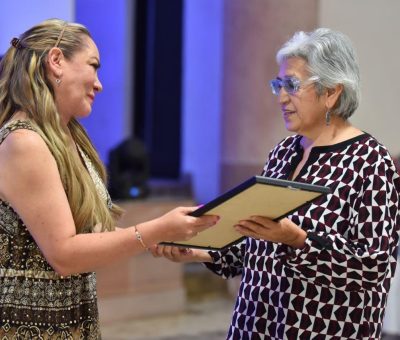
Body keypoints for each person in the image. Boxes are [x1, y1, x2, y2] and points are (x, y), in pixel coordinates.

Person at [153, 28, 400, 339]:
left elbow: (372, 267)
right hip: (255, 325)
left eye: (293, 85)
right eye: (279, 85)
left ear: (332, 92)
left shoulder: (370, 162)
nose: (282, 97)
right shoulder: (284, 152)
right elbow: (259, 248)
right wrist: (204, 251)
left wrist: (298, 240)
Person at [0, 19, 219, 339]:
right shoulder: (24, 142)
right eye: (93, 66)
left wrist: (159, 239)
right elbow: (63, 253)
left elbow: (91, 231)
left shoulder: (65, 137)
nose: (99, 83)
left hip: (68, 317)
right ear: (57, 61)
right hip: (27, 325)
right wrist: (155, 228)